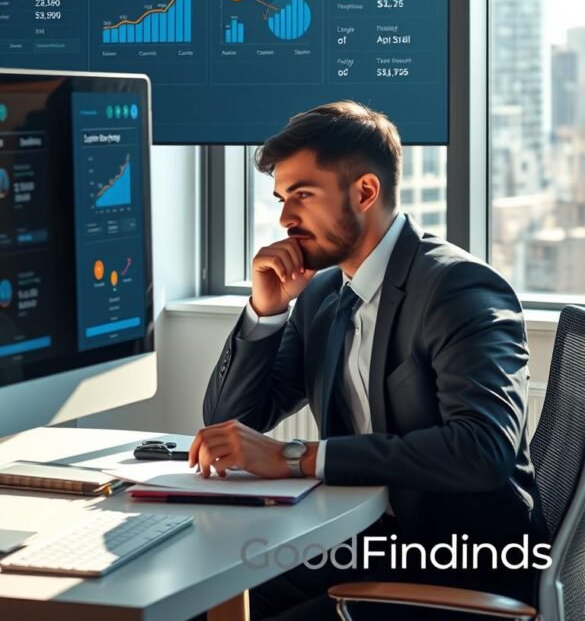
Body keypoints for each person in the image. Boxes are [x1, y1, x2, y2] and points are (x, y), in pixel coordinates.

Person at [190, 101, 548, 620]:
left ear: (365, 191)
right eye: (281, 199)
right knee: (203, 601)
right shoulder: (325, 294)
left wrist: (298, 457)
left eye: (302, 196)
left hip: (461, 565)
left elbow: (483, 447)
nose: (286, 218)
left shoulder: (457, 288)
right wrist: (265, 310)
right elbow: (234, 421)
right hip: (365, 542)